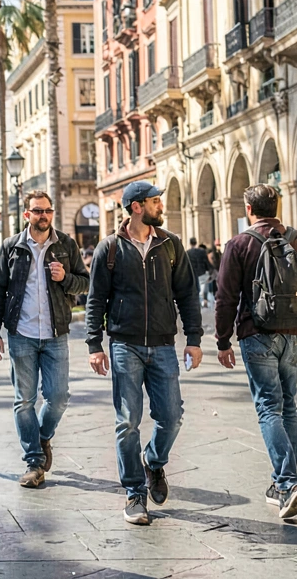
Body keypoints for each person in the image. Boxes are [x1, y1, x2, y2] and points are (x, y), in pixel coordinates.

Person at [214, 184, 297, 520]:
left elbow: (225, 298)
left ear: (249, 210)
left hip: (258, 334)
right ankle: (283, 482)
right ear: (276, 207)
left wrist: (223, 341)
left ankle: (286, 483)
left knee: (269, 406)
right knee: (288, 404)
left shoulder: (239, 244)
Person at [85, 181, 202, 526]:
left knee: (171, 416)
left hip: (164, 343)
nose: (159, 206)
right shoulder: (109, 248)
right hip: (125, 344)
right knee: (127, 421)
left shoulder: (170, 244)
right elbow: (96, 300)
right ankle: (135, 493)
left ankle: (153, 461)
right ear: (136, 207)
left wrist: (194, 338)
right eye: (154, 201)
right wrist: (94, 345)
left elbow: (187, 294)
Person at [0, 192, 89, 488]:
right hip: (22, 335)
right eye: (37, 211)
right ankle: (34, 461)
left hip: (56, 334)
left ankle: (42, 437)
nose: (43, 215)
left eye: (47, 210)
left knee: (59, 398)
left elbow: (85, 282)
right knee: (24, 401)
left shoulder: (66, 245)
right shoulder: (11, 247)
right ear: (27, 215)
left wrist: (65, 278)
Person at [185, 238, 211, 308]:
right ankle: (204, 301)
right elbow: (206, 262)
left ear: (190, 243)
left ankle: (199, 302)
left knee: (196, 289)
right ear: (196, 243)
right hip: (202, 272)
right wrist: (209, 270)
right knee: (203, 288)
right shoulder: (202, 251)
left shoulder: (188, 253)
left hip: (193, 273)